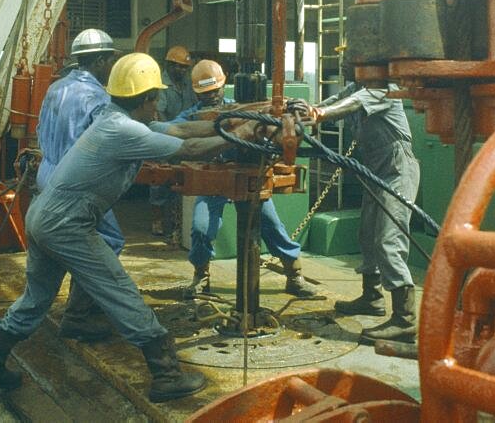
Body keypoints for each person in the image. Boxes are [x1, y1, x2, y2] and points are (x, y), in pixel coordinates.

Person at [0, 53, 259, 402]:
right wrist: (240, 136)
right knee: (119, 291)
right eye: (155, 99)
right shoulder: (124, 132)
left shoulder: (116, 118)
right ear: (147, 99)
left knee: (36, 300)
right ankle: (166, 374)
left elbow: (181, 128)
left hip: (43, 217)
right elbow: (190, 147)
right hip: (66, 226)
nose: (158, 106)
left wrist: (227, 125)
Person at [175, 60, 317, 300]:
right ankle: (201, 275)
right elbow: (175, 130)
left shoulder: (244, 110)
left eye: (214, 91)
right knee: (200, 228)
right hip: (215, 180)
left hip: (250, 178)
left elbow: (272, 123)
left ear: (224, 85)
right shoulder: (192, 116)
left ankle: (294, 276)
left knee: (272, 227)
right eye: (204, 93)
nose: (211, 97)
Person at [306, 60, 421, 344]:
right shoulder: (354, 87)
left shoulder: (384, 90)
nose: (344, 65)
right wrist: (300, 109)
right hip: (374, 168)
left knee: (388, 239)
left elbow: (350, 105)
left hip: (397, 169)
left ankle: (405, 319)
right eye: (344, 60)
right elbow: (331, 103)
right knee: (367, 235)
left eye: (351, 62)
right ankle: (371, 297)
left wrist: (318, 113)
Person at [34, 28, 123, 343]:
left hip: (46, 174)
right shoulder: (97, 97)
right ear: (99, 60)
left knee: (57, 241)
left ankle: (78, 305)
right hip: (74, 184)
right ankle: (77, 315)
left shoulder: (55, 88)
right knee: (108, 241)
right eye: (109, 60)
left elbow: (39, 128)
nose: (110, 66)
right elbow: (102, 144)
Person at [149, 45, 198, 236]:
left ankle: (179, 223)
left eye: (185, 67)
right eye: (178, 66)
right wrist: (168, 134)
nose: (182, 70)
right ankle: (157, 221)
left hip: (184, 137)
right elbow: (158, 112)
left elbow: (196, 108)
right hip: (164, 136)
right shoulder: (160, 84)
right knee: (160, 181)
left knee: (182, 180)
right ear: (168, 65)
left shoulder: (188, 84)